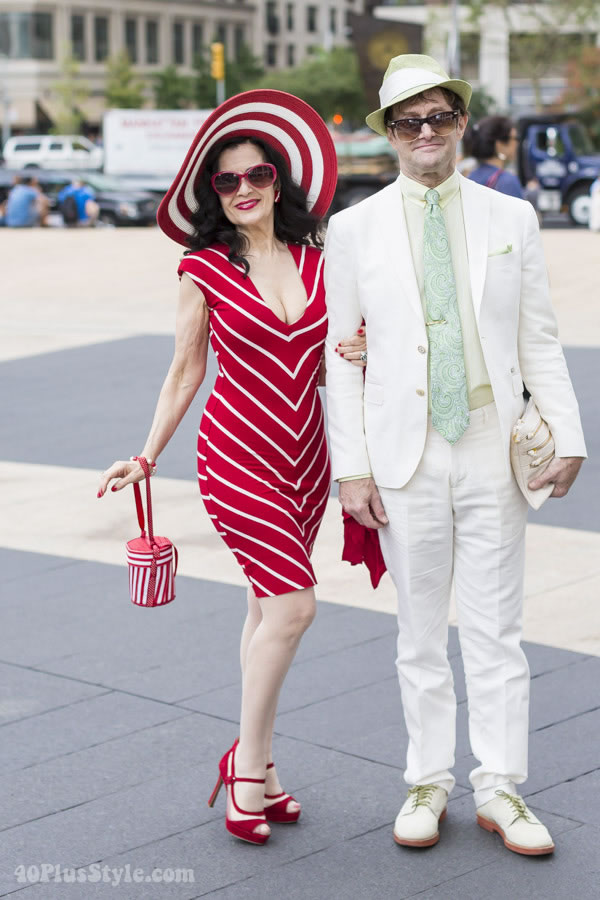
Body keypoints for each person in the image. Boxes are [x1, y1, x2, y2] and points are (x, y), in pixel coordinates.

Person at [325, 54, 586, 857]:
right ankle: (427, 780)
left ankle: (502, 786)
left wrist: (569, 434)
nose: (427, 132)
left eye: (440, 117)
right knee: (418, 633)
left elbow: (537, 335)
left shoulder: (511, 220)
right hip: (404, 455)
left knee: (498, 628)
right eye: (410, 121)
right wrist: (353, 467)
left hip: (489, 443)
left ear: (462, 123)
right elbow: (342, 354)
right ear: (391, 134)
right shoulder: (353, 228)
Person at [98, 90, 366, 847]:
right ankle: (247, 769)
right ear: (213, 195)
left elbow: (340, 358)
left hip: (307, 459)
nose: (244, 189)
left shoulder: (322, 261)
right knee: (293, 609)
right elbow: (185, 369)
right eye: (227, 181)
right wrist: (147, 455)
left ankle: (265, 767)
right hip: (236, 456)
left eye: (257, 175)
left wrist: (363, 352)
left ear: (279, 182)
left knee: (263, 613)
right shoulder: (203, 268)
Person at [466, 115, 524, 198]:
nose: (517, 143)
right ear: (500, 145)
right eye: (515, 138)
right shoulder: (507, 181)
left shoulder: (470, 177)